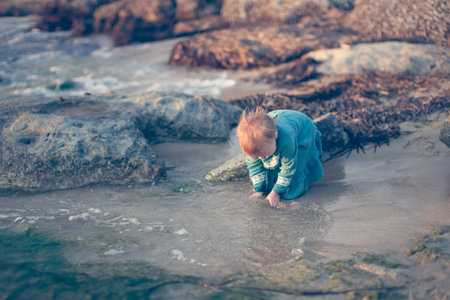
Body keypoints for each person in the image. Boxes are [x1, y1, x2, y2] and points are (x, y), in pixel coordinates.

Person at [236, 107, 323, 207]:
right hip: (281, 119)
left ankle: (293, 186)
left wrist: (276, 193)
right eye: (257, 156)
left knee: (292, 186)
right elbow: (254, 166)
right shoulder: (256, 144)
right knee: (269, 176)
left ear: (275, 135)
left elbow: (288, 167)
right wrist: (259, 189)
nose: (261, 158)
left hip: (304, 130)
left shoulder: (287, 139)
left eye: (264, 154)